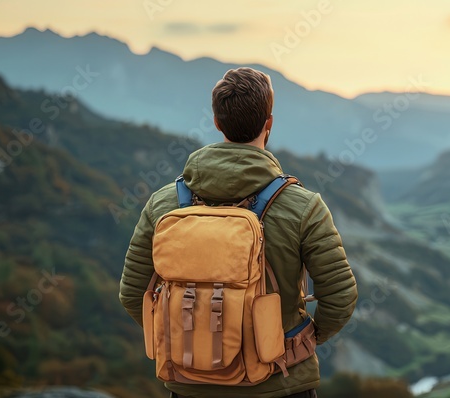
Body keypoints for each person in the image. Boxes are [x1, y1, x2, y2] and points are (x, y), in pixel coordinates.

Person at [118, 67, 358, 398]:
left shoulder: (164, 204)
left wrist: (191, 343)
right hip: (282, 386)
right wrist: (291, 345)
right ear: (269, 123)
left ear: (217, 123)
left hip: (189, 387)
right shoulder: (303, 207)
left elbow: (133, 294)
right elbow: (340, 298)